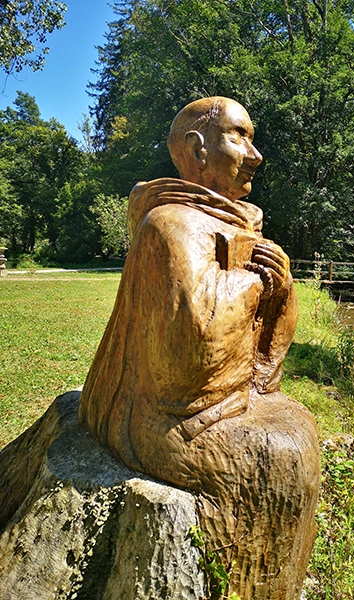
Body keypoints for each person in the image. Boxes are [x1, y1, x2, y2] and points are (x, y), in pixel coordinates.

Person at [79, 97, 319, 599]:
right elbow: (183, 361)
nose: (255, 155)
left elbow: (260, 362)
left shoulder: (232, 223)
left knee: (295, 430)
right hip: (162, 417)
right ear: (197, 150)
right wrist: (255, 284)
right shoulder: (171, 226)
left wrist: (282, 288)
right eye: (240, 137)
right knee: (282, 456)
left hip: (215, 401)